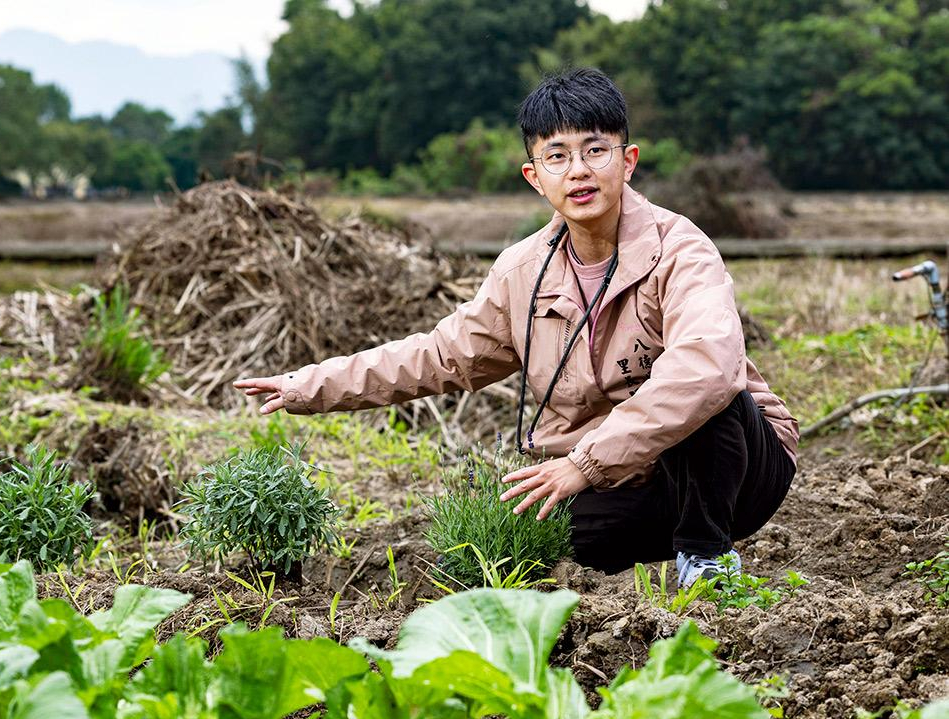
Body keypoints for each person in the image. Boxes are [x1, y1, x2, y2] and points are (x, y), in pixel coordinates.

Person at [235, 68, 798, 587]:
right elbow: (439, 356)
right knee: (533, 539)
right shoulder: (522, 271)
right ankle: (655, 548)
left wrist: (583, 463)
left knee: (709, 395)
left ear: (627, 162)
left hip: (742, 471)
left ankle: (706, 559)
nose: (578, 170)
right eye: (557, 156)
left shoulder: (681, 249)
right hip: (629, 478)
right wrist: (307, 386)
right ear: (535, 176)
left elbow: (708, 366)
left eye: (595, 150)